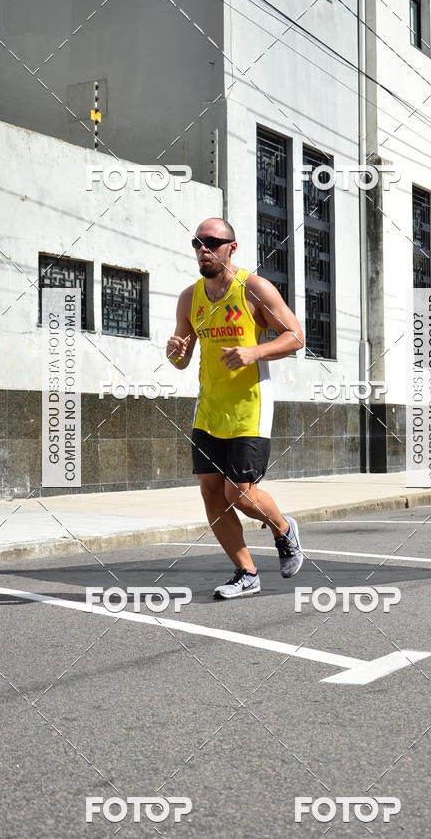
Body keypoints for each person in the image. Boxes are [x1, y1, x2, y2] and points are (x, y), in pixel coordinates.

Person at [166, 217, 305, 599]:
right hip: (209, 411)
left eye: (212, 242)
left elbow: (295, 336)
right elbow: (181, 358)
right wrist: (174, 351)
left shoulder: (254, 289)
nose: (203, 249)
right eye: (198, 243)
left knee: (240, 494)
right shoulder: (189, 298)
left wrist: (254, 352)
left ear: (232, 247)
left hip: (250, 407)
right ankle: (246, 572)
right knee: (211, 493)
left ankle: (283, 529)